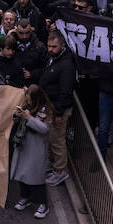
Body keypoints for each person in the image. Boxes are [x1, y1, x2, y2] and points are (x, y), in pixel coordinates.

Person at [10, 84, 53, 219]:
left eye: (30, 100)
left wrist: (29, 118)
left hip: (36, 149)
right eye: (27, 99)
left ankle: (43, 205)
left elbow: (44, 129)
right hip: (23, 146)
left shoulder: (46, 109)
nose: (28, 102)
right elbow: (17, 120)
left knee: (36, 178)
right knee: (22, 175)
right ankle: (25, 197)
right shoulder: (27, 107)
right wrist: (17, 115)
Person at [39, 30, 76, 186]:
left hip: (57, 109)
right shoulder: (53, 58)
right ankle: (53, 165)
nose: (50, 49)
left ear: (63, 46)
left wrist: (59, 113)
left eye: (54, 47)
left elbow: (66, 91)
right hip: (49, 106)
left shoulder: (67, 65)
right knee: (50, 138)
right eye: (49, 46)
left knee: (57, 140)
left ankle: (60, 171)